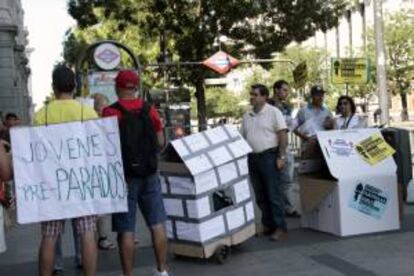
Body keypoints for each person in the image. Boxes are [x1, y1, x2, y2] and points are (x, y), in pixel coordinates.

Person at [102, 70, 169, 276]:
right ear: (136, 86)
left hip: (124, 177)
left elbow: (105, 147)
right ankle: (161, 270)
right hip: (149, 173)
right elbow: (160, 143)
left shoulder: (109, 112)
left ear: (118, 87)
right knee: (157, 224)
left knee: (126, 229)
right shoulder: (150, 110)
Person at [34, 65, 98, 276]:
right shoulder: (87, 113)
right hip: (83, 183)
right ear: (75, 85)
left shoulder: (40, 116)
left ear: (53, 87)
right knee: (87, 232)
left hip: (53, 186)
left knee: (49, 236)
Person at [241, 84, 288, 241]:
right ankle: (267, 225)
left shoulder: (274, 112)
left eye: (255, 94)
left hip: (269, 156)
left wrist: (281, 157)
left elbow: (282, 134)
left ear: (264, 97)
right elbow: (242, 137)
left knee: (274, 194)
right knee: (260, 195)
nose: (252, 97)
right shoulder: (247, 115)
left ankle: (280, 227)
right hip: (253, 158)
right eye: (251, 94)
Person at [91, 93, 117, 250]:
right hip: (97, 170)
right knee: (99, 209)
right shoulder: (94, 122)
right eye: (103, 107)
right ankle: (99, 238)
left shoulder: (107, 122)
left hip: (105, 169)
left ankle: (101, 237)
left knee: (104, 208)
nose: (106, 110)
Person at [271, 80, 300, 217]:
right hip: (272, 148)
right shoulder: (268, 105)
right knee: (273, 180)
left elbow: (288, 125)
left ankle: (289, 208)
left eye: (287, 90)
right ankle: (275, 209)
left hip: (286, 147)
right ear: (276, 90)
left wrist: (292, 125)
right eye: (284, 90)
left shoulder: (287, 106)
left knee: (287, 179)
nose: (287, 93)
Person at [293, 85, 332, 158]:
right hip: (308, 147)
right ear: (312, 96)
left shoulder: (327, 111)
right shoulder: (303, 111)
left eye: (322, 95)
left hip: (324, 148)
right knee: (309, 168)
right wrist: (306, 138)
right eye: (317, 95)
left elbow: (331, 129)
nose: (320, 97)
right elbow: (293, 128)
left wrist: (330, 126)